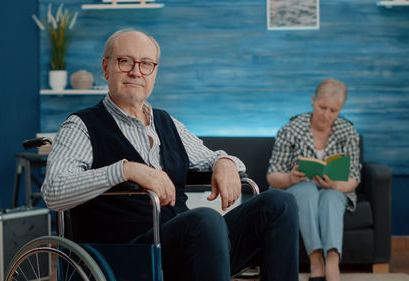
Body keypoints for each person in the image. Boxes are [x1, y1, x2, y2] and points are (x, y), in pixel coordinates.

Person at [42, 28, 299, 281]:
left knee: (279, 203)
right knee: (205, 219)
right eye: (125, 61)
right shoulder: (81, 125)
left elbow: (210, 155)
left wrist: (225, 161)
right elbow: (54, 191)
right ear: (106, 67)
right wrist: (127, 169)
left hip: (187, 245)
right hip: (126, 254)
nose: (136, 71)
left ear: (155, 72)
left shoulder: (166, 122)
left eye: (146, 64)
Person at [267, 79, 361, 281]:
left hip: (335, 190)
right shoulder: (291, 129)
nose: (326, 115)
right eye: (322, 107)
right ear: (313, 101)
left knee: (331, 197)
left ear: (341, 109)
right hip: (299, 189)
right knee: (307, 190)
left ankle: (333, 261)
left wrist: (336, 184)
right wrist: (290, 177)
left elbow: (354, 177)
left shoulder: (348, 132)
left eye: (333, 110)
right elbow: (272, 176)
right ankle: (316, 258)